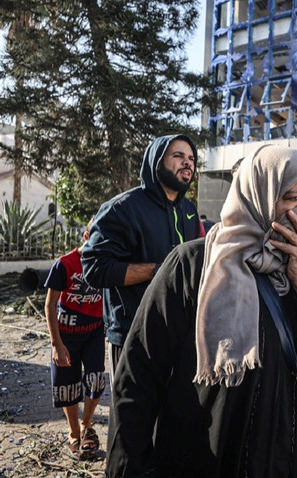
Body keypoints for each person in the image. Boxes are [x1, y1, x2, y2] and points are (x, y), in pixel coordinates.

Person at [105, 145, 297, 477]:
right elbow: (137, 377)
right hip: (206, 460)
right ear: (259, 194)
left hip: (288, 460)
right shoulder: (193, 266)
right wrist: (133, 470)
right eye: (294, 197)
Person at [82, 134, 204, 385]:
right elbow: (94, 269)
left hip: (180, 334)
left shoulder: (189, 211)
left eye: (191, 158)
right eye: (178, 156)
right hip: (133, 334)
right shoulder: (122, 208)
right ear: (157, 162)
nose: (187, 163)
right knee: (132, 420)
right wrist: (160, 271)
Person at [44, 219, 105, 460]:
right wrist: (56, 344)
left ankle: (86, 425)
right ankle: (73, 434)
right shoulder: (64, 264)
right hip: (66, 335)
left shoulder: (106, 265)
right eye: (96, 238)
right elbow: (50, 305)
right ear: (86, 236)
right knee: (68, 386)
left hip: (94, 333)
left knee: (95, 380)